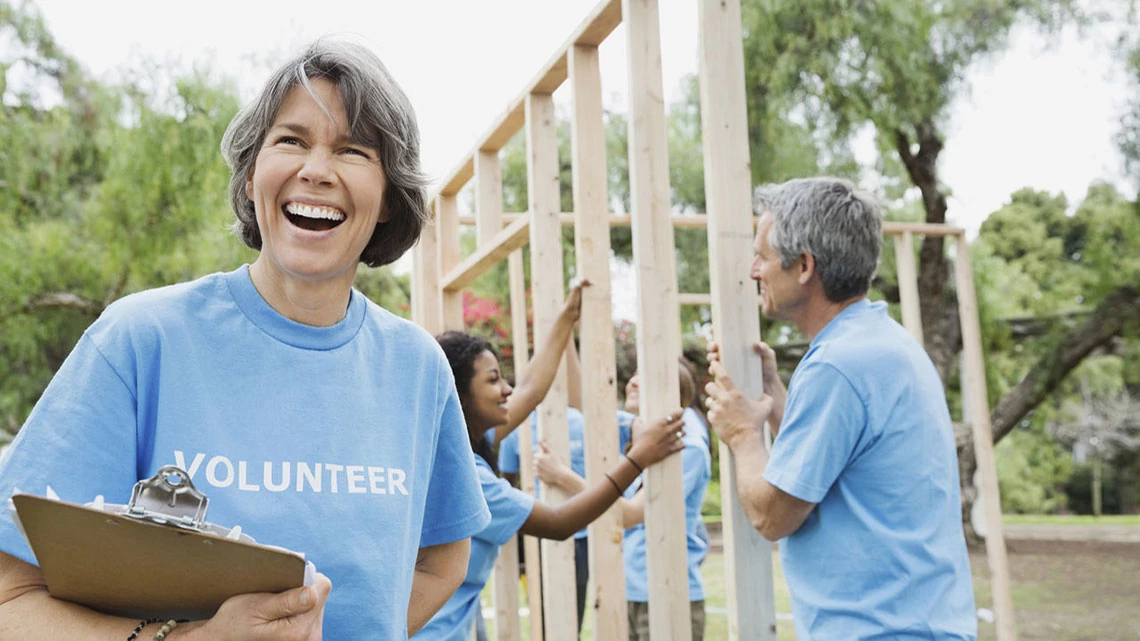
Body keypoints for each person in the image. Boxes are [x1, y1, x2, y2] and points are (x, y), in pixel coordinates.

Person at [0, 39, 491, 640]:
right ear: (254, 171)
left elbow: (442, 561)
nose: (316, 169)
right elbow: (11, 600)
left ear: (389, 197)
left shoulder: (418, 369)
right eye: (291, 140)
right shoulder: (139, 341)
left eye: (353, 150)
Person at [703, 177, 976, 640]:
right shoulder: (881, 344)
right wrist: (774, 396)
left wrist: (742, 436)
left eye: (763, 256)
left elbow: (773, 515)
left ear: (804, 266)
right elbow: (830, 466)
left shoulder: (838, 365)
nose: (753, 270)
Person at [417, 327, 687, 641]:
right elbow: (558, 523)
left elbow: (531, 390)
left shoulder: (450, 447)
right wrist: (637, 460)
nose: (507, 390)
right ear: (459, 396)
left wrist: (567, 316)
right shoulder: (467, 474)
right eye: (493, 380)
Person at [536, 359, 711, 641]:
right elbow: (586, 405)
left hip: (669, 594)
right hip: (630, 589)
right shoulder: (640, 433)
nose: (632, 381)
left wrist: (563, 477)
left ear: (670, 393)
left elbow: (630, 515)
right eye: (634, 374)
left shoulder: (686, 447)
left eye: (645, 376)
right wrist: (568, 327)